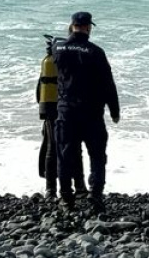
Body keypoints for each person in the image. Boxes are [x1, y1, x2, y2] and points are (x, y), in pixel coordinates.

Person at [52, 11, 120, 212]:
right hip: (91, 112)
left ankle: (66, 197)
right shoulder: (95, 51)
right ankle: (95, 195)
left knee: (65, 154)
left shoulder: (59, 48)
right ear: (89, 27)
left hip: (66, 111)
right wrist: (114, 110)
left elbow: (56, 46)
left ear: (71, 26)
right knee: (97, 155)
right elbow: (108, 84)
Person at [36, 34, 88, 200]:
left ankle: (50, 190)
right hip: (69, 109)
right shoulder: (75, 60)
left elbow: (39, 90)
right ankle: (80, 187)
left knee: (52, 148)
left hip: (50, 109)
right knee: (75, 148)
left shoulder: (49, 62)